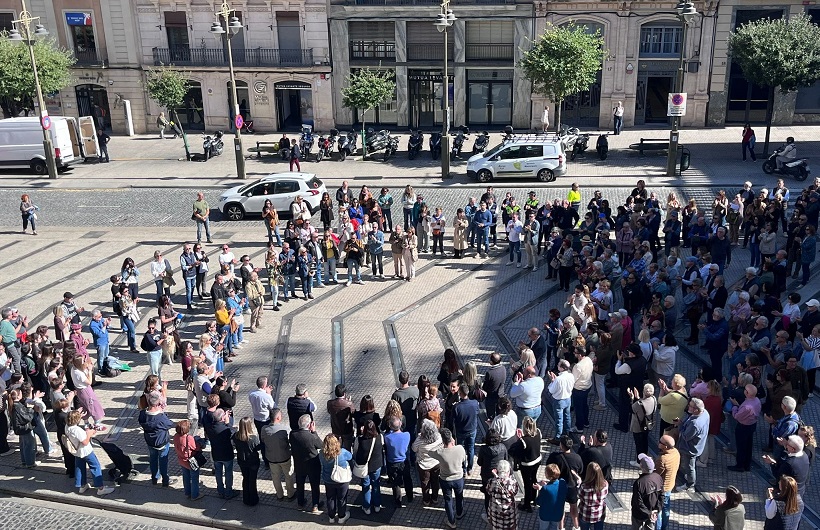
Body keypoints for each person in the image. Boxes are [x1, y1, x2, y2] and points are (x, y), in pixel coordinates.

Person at [64, 410, 115, 496]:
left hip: (77, 452)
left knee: (79, 467)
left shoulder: (67, 427)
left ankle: (82, 486)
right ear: (77, 420)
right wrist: (89, 433)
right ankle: (100, 488)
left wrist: (78, 414)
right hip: (85, 451)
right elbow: (85, 442)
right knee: (95, 466)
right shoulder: (77, 430)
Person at [138, 390, 177, 487]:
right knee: (163, 461)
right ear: (158, 403)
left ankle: (154, 478)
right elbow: (170, 424)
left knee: (153, 459)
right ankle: (165, 480)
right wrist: (163, 412)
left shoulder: (143, 414)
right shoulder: (161, 418)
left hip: (150, 441)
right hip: (162, 442)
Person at [546, 435, 583, 530]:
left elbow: (548, 467)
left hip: (559, 487)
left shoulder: (555, 457)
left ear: (561, 446)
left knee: (560, 508)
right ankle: (576, 526)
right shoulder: (577, 458)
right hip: (572, 487)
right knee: (574, 507)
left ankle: (561, 527)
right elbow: (581, 470)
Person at [432, 427, 466, 528]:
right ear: (451, 438)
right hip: (458, 478)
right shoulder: (460, 448)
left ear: (442, 441)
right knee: (459, 496)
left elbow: (429, 452)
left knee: (448, 500)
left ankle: (451, 522)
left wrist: (439, 444)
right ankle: (459, 513)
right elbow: (464, 459)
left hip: (445, 479)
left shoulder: (440, 452)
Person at [674, 398, 710, 492]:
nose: (688, 407)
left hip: (690, 448)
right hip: (698, 445)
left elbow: (686, 436)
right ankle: (689, 478)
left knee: (690, 467)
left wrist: (680, 425)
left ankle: (690, 484)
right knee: (689, 466)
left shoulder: (695, 424)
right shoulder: (705, 412)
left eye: (690, 406)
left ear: (696, 410)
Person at [290, 414, 324, 513]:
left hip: (299, 464)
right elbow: (321, 445)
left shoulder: (293, 434)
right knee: (314, 485)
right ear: (309, 425)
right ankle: (315, 505)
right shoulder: (311, 437)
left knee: (300, 484)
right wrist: (314, 431)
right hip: (312, 465)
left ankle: (300, 504)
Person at [261, 408, 295, 501]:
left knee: (275, 477)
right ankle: (290, 494)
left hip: (271, 458)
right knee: (288, 475)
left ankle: (279, 495)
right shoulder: (285, 429)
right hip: (285, 457)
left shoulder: (264, 429)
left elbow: (263, 440)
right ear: (278, 417)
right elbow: (290, 441)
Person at [510, 416, 543, 512]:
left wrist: (519, 439)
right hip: (537, 460)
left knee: (527, 483)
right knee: (534, 478)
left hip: (527, 464)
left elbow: (514, 451)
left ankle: (527, 504)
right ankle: (534, 498)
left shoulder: (523, 440)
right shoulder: (538, 432)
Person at [355, 420, 384, 515]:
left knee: (365, 485)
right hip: (376, 465)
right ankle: (377, 505)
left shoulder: (359, 440)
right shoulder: (380, 437)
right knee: (376, 485)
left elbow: (355, 452)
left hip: (364, 467)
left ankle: (366, 507)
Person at [384, 416, 414, 508]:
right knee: (407, 479)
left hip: (392, 463)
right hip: (404, 462)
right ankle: (410, 497)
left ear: (390, 426)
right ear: (400, 424)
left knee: (396, 483)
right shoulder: (407, 435)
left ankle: (398, 501)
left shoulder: (387, 437)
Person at [413, 418, 443, 506]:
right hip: (436, 463)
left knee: (425, 483)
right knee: (435, 481)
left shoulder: (419, 439)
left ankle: (426, 500)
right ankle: (435, 498)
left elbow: (414, 449)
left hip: (424, 465)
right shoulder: (439, 438)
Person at [233, 416, 262, 506]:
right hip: (253, 462)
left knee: (245, 479)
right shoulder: (253, 438)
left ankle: (246, 498)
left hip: (242, 461)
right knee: (252, 480)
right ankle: (253, 499)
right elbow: (257, 447)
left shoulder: (236, 436)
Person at [452, 383, 479, 476]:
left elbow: (453, 419)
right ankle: (470, 468)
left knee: (461, 450)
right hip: (472, 430)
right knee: (471, 449)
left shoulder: (457, 407)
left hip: (461, 431)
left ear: (460, 393)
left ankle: (463, 468)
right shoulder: (475, 403)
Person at [173, 419, 204, 501]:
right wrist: (199, 441)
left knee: (186, 477)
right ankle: (195, 495)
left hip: (181, 460)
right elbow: (195, 448)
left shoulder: (176, 436)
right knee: (194, 478)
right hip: (190, 461)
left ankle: (187, 493)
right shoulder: (188, 438)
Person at [632, 453, 664, 530]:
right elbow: (662, 496)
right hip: (653, 510)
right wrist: (657, 510)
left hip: (639, 513)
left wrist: (648, 513)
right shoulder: (658, 477)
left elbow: (638, 502)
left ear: (641, 466)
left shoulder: (639, 483)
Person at [654, 435, 680, 530]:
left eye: (660, 442)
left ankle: (658, 528)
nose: (658, 443)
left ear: (665, 446)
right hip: (670, 485)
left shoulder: (662, 459)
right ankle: (664, 526)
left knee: (658, 511)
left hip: (662, 489)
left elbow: (656, 473)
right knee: (666, 508)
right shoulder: (676, 452)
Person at [547, 360, 574, 443]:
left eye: (558, 365)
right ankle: (567, 433)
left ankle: (558, 438)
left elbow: (551, 390)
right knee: (567, 416)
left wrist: (552, 381)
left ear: (562, 368)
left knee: (559, 420)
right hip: (568, 399)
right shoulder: (571, 376)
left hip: (558, 401)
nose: (557, 366)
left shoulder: (558, 379)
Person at [629, 384, 656, 467]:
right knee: (645, 441)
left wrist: (632, 398)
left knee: (639, 444)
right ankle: (645, 456)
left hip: (638, 426)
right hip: (648, 424)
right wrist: (638, 398)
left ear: (643, 392)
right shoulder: (654, 399)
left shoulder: (639, 403)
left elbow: (632, 409)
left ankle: (639, 461)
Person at [575, 462, 608, 530]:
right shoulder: (605, 484)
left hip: (586, 513)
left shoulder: (584, 487)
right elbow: (605, 495)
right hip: (599, 513)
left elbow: (578, 495)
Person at [535, 463, 568, 530]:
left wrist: (540, 489)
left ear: (550, 477)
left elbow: (538, 502)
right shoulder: (563, 483)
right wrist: (546, 485)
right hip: (557, 514)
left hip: (545, 515)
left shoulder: (545, 488)